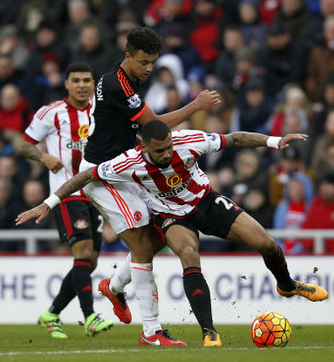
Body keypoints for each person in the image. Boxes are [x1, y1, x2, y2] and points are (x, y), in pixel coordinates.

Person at [16, 120, 329, 347]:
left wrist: (274, 142)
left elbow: (233, 138)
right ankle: (209, 332)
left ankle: (287, 286)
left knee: (267, 244)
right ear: (144, 147)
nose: (166, 155)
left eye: (168, 148)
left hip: (206, 201)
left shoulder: (188, 140)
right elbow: (85, 175)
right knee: (189, 255)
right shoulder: (129, 162)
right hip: (170, 217)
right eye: (159, 151)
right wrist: (49, 203)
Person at [78, 26, 221, 346]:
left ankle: (113, 287)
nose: (148, 68)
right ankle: (152, 332)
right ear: (127, 56)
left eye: (153, 62)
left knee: (157, 236)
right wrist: (196, 106)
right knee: (144, 246)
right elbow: (155, 126)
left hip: (125, 169)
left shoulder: (124, 78)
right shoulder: (118, 85)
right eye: (143, 62)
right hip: (103, 176)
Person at [18, 62, 113, 338]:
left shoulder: (101, 109)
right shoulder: (51, 113)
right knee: (82, 253)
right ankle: (90, 317)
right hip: (66, 193)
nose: (82, 85)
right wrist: (43, 156)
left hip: (96, 194)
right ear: (66, 84)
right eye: (76, 80)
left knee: (90, 261)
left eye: (86, 80)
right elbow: (24, 143)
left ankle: (51, 313)